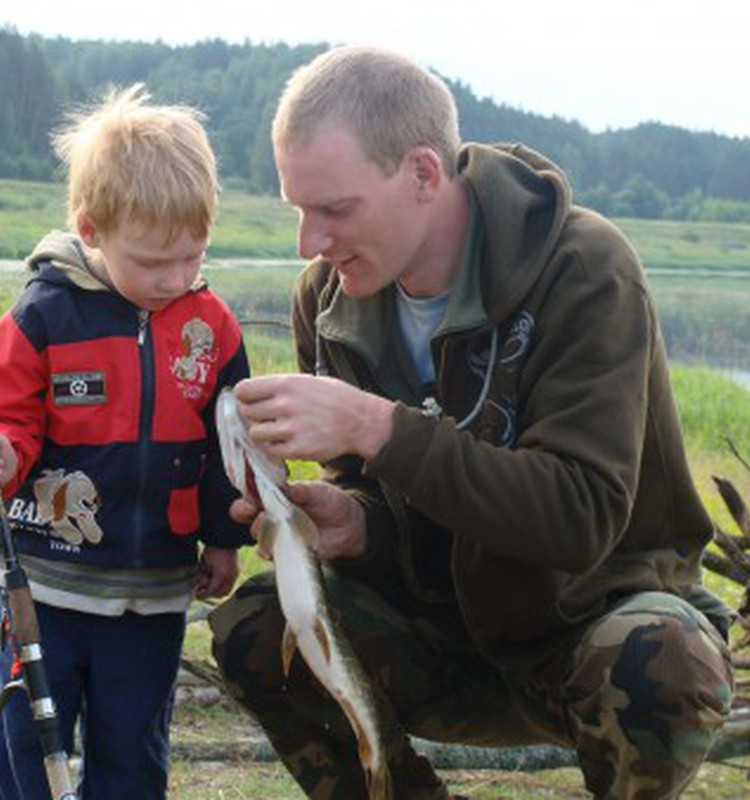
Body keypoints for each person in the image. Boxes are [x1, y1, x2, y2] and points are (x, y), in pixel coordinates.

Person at [209, 45, 735, 800]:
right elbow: (385, 503)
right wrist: (354, 526)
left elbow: (580, 517)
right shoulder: (325, 299)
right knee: (260, 626)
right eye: (298, 208)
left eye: (335, 209)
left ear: (424, 174)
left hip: (588, 628)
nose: (308, 241)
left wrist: (378, 426)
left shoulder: (584, 270)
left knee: (663, 655)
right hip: (440, 640)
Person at [0, 84, 251, 800]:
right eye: (152, 263)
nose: (175, 281)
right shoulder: (43, 316)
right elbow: (12, 418)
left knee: (134, 755)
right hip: (44, 589)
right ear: (91, 229)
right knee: (25, 754)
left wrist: (222, 539)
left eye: (193, 258)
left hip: (153, 595)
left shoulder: (212, 328)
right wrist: (7, 453)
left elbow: (223, 446)